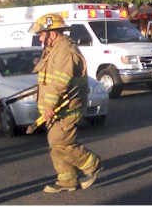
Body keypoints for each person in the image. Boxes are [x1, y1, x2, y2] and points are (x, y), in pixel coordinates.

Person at [29, 13, 102, 193]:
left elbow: (60, 82)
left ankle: (91, 164)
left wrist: (49, 105)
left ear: (52, 33)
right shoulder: (54, 49)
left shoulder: (65, 51)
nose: (40, 38)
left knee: (61, 142)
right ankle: (66, 180)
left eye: (42, 34)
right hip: (58, 107)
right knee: (55, 143)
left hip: (67, 107)